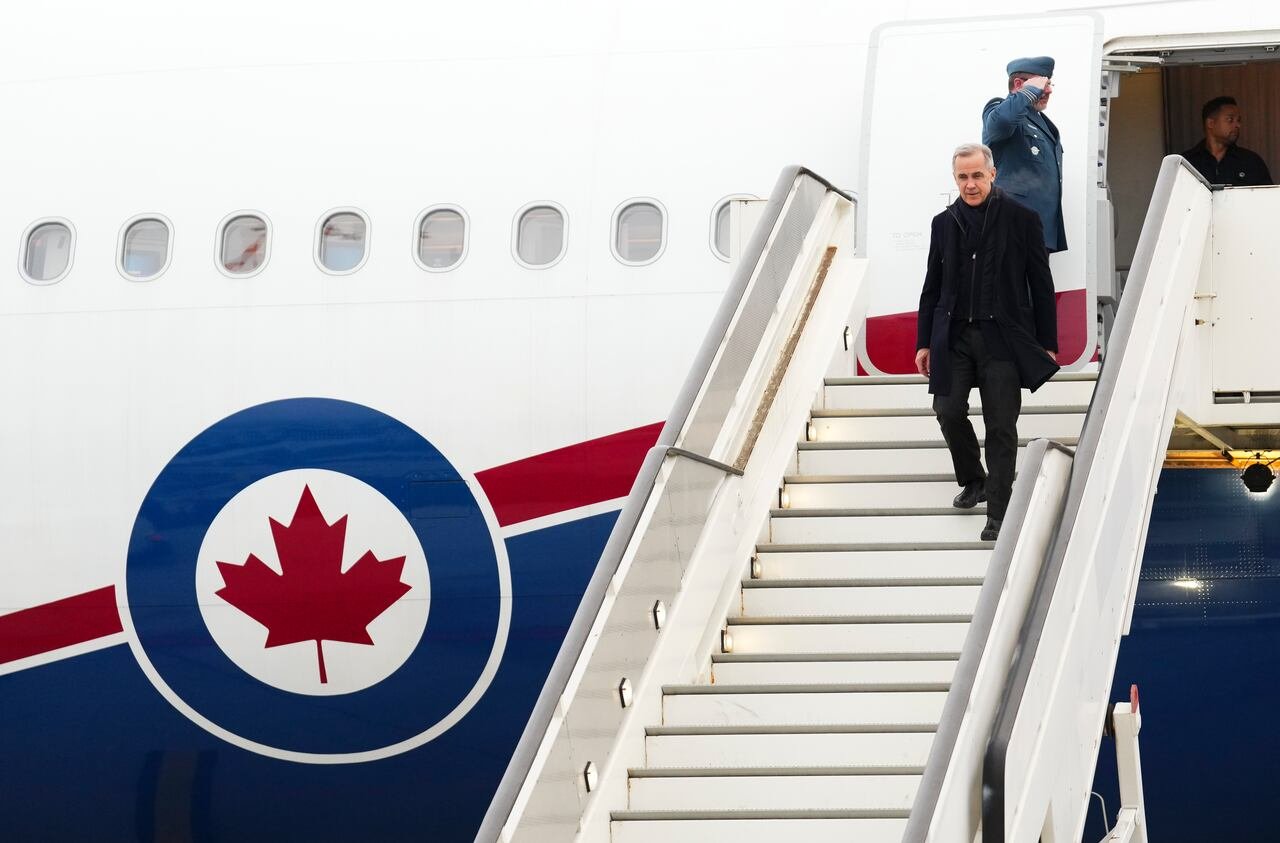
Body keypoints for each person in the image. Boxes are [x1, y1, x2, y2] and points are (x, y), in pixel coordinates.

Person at [915, 143, 1059, 541]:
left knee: (1000, 426)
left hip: (1002, 338)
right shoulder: (943, 223)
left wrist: (1046, 341)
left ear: (992, 174)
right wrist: (924, 341)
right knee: (946, 409)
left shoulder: (1022, 219)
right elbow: (932, 288)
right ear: (955, 179)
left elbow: (1040, 285)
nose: (970, 184)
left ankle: (998, 512)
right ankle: (974, 479)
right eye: (963, 177)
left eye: (977, 175)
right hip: (954, 337)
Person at [982, 56, 1066, 253]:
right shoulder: (999, 109)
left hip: (1039, 232)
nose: (1049, 90)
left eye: (1049, 84)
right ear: (1019, 84)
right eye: (1043, 84)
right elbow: (1001, 123)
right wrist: (1028, 91)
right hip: (1012, 230)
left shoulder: (1041, 121)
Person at [1181, 96, 1272, 186]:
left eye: (1238, 120)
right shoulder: (1186, 163)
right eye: (1230, 120)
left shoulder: (1251, 162)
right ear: (1211, 123)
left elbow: (1267, 198)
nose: (1237, 125)